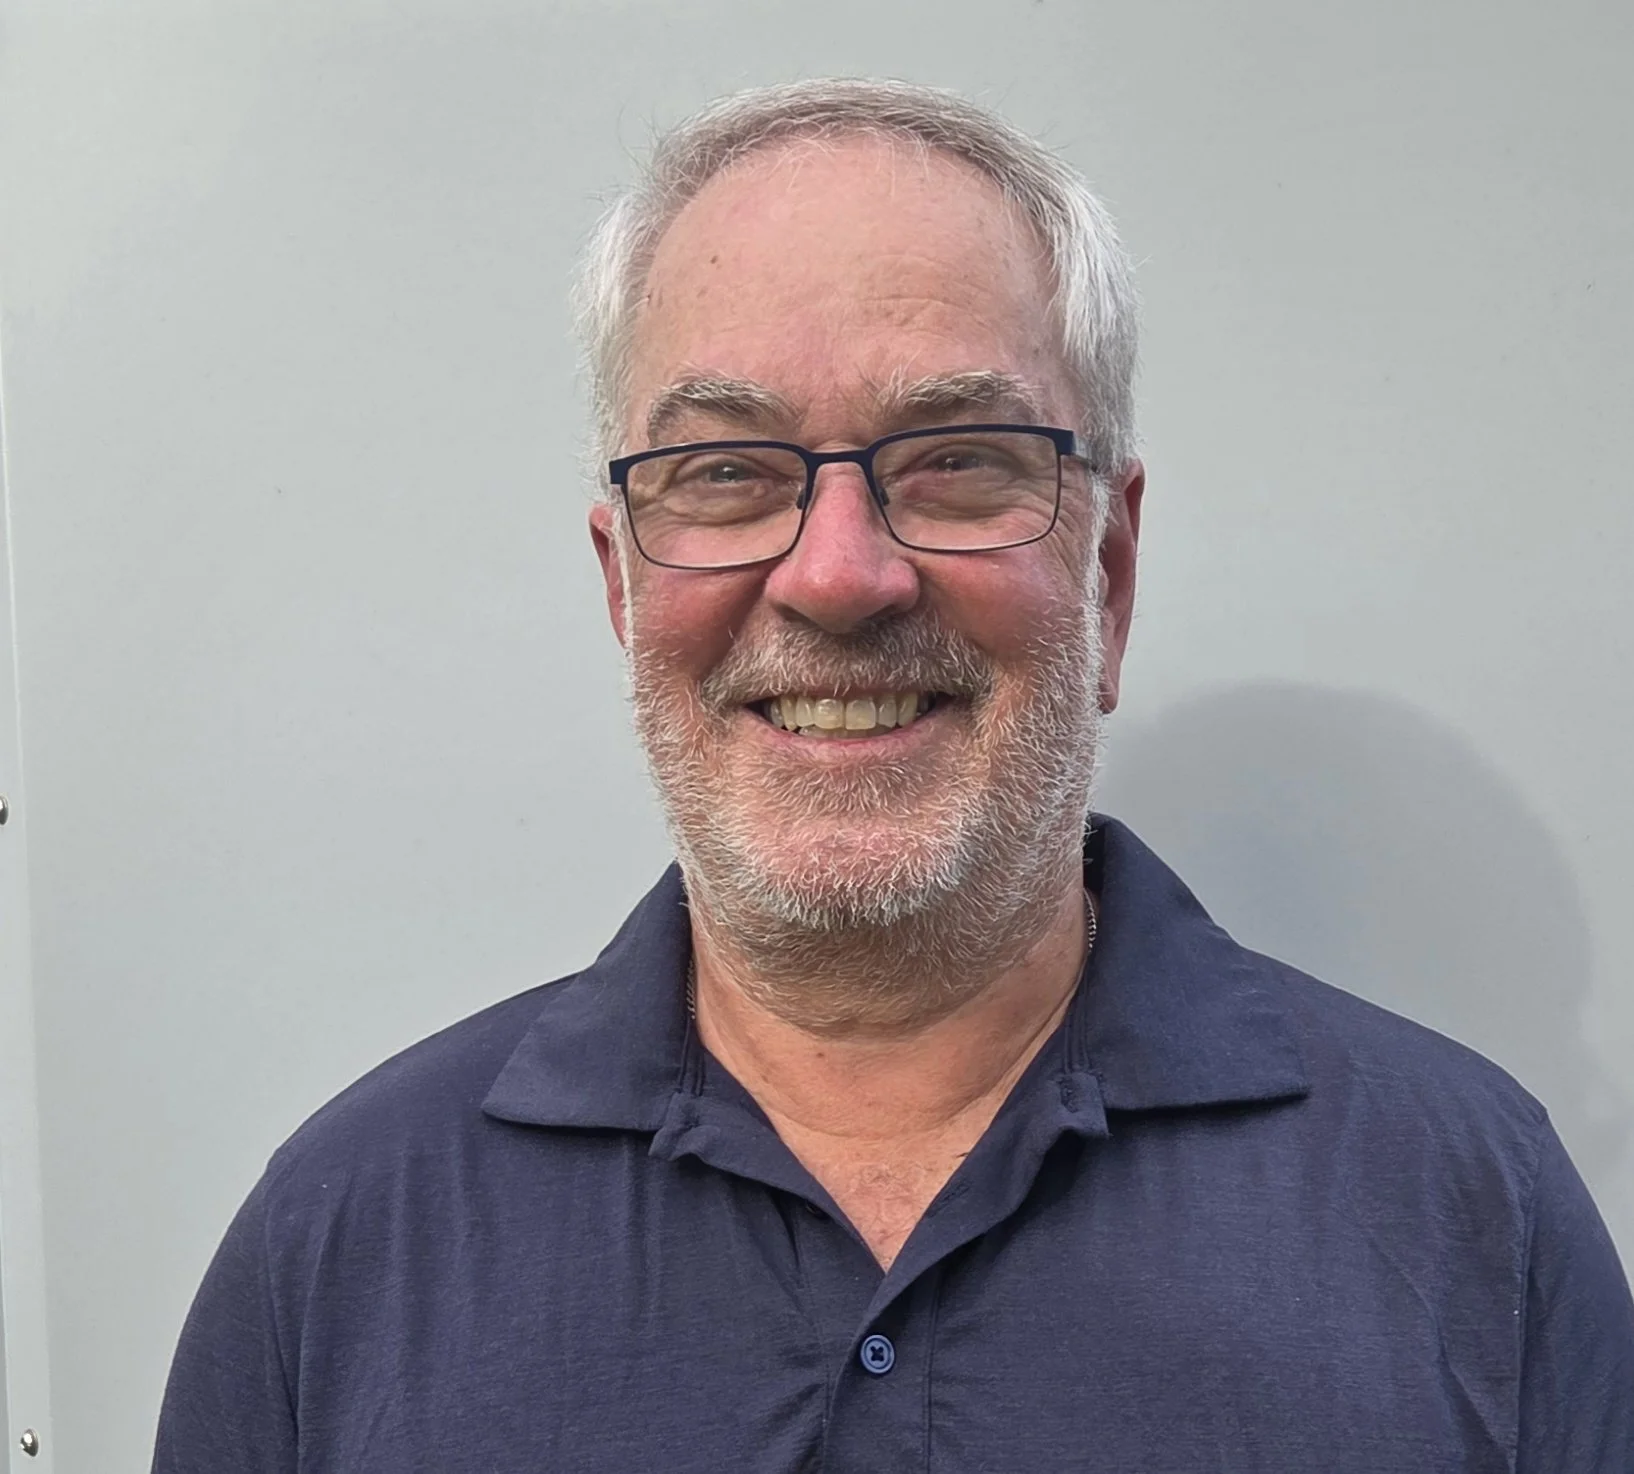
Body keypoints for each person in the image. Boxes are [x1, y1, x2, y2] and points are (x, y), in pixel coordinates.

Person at [153, 78, 1634, 1472]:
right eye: (725, 472)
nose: (839, 575)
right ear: (623, 589)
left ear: (1108, 576)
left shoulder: (1467, 1210)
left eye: (959, 459)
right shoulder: (340, 1245)